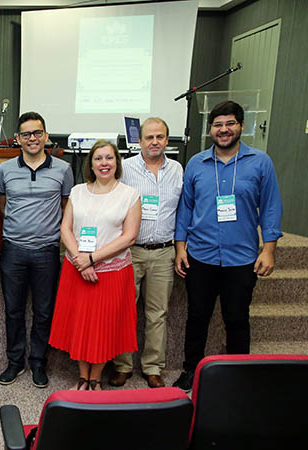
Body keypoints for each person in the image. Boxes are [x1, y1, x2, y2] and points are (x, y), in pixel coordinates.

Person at [172, 101, 283, 391]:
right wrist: (180, 247)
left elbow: (271, 207)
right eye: (218, 125)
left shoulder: (260, 162)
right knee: (197, 317)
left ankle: (238, 375)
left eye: (230, 123)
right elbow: (186, 208)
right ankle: (190, 371)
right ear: (211, 129)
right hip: (201, 254)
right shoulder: (196, 163)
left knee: (236, 318)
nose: (223, 130)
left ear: (241, 126)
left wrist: (269, 249)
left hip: (241, 256)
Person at [49, 140, 141, 391]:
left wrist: (92, 259)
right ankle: (82, 376)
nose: (104, 163)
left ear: (117, 162)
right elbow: (65, 228)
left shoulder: (129, 195)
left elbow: (129, 237)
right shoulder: (78, 191)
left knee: (104, 327)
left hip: (111, 273)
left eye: (109, 158)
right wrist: (81, 259)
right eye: (98, 158)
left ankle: (95, 378)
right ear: (91, 164)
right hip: (76, 269)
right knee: (79, 324)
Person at [0, 111, 74, 388]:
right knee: (13, 310)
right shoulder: (6, 170)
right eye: (26, 134)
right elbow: (2, 205)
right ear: (17, 139)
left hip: (47, 251)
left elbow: (67, 210)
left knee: (43, 311)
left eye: (37, 132)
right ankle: (15, 362)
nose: (32, 138)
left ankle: (38, 363)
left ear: (46, 136)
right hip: (14, 250)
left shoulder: (63, 170)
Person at [109, 118, 183, 389]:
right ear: (139, 141)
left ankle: (153, 367)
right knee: (124, 311)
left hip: (164, 252)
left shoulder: (177, 169)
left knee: (157, 313)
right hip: (130, 251)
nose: (155, 142)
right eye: (149, 137)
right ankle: (122, 366)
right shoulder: (125, 168)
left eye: (160, 137)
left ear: (167, 140)